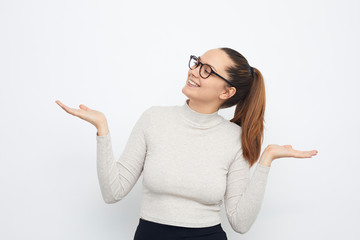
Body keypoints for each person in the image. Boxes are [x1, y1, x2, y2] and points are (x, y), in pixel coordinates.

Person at [55, 47, 318, 240]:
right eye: (197, 63)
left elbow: (240, 222)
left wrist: (266, 160)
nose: (194, 71)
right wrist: (103, 129)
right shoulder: (153, 118)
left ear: (226, 92)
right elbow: (113, 192)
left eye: (207, 70)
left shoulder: (234, 140)